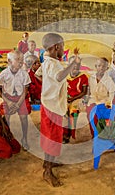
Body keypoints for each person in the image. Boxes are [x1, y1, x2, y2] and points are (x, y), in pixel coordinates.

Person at [40, 33, 81, 187]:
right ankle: (48, 172)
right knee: (52, 140)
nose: (64, 49)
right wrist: (73, 63)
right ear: (56, 47)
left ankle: (47, 163)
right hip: (52, 108)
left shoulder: (49, 61)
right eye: (62, 46)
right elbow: (58, 77)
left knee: (50, 138)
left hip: (51, 105)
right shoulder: (51, 64)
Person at [0, 50, 31, 151]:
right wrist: (8, 101)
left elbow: (25, 91)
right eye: (17, 60)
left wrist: (18, 104)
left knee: (24, 118)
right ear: (9, 61)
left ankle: (24, 138)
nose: (20, 62)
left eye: (22, 60)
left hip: (21, 97)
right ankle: (8, 137)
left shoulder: (24, 74)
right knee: (7, 118)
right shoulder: (3, 74)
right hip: (8, 98)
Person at [86, 57, 115, 137]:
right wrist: (86, 100)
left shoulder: (108, 80)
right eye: (99, 66)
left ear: (107, 68)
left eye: (104, 66)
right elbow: (88, 92)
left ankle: (104, 133)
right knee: (91, 114)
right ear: (95, 66)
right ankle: (94, 133)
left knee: (105, 117)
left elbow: (112, 92)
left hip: (104, 101)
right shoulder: (91, 78)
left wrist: (109, 103)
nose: (101, 68)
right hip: (93, 100)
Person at [63, 55, 89, 143]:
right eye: (73, 64)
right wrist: (66, 98)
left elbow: (84, 92)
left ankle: (72, 134)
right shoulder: (65, 76)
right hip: (67, 98)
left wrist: (73, 98)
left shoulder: (83, 77)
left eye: (77, 65)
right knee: (64, 111)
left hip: (78, 98)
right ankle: (66, 133)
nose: (75, 67)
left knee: (73, 112)